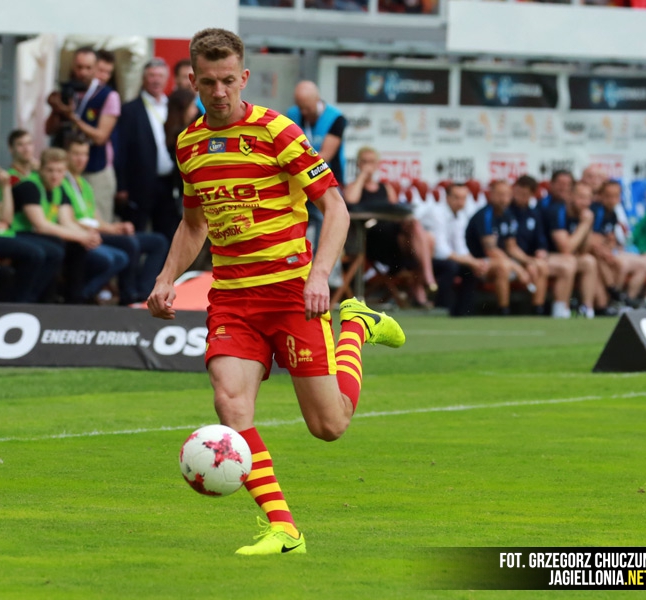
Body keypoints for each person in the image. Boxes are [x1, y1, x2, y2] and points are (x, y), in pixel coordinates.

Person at [148, 28, 405, 556]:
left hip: (291, 294)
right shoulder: (190, 144)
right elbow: (194, 224)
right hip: (233, 300)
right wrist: (165, 277)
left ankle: (356, 327)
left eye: (228, 80)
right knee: (230, 405)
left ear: (244, 77)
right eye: (208, 82)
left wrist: (320, 275)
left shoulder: (277, 131)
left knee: (329, 426)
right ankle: (284, 529)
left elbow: (335, 208)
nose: (219, 92)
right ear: (193, 80)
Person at [63, 137, 168, 304]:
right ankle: (128, 296)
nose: (81, 159)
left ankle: (145, 292)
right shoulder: (62, 183)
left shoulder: (85, 184)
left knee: (158, 241)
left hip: (97, 231)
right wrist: (111, 230)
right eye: (76, 154)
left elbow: (96, 219)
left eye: (85, 154)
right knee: (128, 244)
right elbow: (68, 220)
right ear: (66, 155)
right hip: (82, 234)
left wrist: (116, 227)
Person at [343, 146, 437, 306]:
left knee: (425, 236)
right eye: (364, 162)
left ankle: (424, 280)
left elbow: (396, 212)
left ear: (377, 164)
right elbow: (350, 201)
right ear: (358, 164)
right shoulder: (353, 187)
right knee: (425, 240)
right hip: (370, 239)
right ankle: (424, 281)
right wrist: (362, 176)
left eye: (371, 162)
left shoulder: (386, 188)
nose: (368, 166)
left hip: (393, 237)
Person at [11, 148, 101, 304]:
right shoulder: (30, 186)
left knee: (77, 247)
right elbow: (40, 225)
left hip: (38, 235)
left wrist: (87, 236)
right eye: (50, 170)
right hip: (18, 233)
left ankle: (73, 300)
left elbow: (66, 221)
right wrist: (81, 236)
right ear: (41, 170)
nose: (55, 175)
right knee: (55, 248)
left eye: (60, 171)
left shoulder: (59, 189)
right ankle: (34, 299)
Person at [46, 47, 121, 224]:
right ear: (73, 67)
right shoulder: (67, 91)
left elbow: (100, 137)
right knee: (64, 219)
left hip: (95, 170)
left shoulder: (108, 95)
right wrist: (56, 110)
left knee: (98, 221)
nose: (83, 73)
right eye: (79, 67)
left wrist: (72, 117)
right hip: (64, 170)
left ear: (96, 68)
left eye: (88, 68)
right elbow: (49, 130)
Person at [115, 57, 181, 241]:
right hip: (139, 183)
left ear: (167, 79)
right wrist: (122, 186)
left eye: (160, 76)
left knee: (168, 233)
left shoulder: (173, 107)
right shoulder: (130, 110)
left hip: (168, 183)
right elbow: (121, 150)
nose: (156, 80)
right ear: (144, 79)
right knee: (137, 232)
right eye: (151, 75)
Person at [286, 80, 347, 251]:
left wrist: (296, 163)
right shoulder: (292, 114)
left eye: (307, 108)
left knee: (326, 219)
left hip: (327, 179)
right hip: (299, 181)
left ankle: (325, 258)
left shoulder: (336, 119)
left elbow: (326, 155)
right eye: (300, 108)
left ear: (317, 100)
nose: (303, 112)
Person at [589, 180, 646, 308]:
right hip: (597, 254)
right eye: (608, 196)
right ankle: (614, 298)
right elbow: (593, 238)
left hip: (611, 251)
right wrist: (606, 246)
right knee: (621, 265)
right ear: (601, 196)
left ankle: (627, 302)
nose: (612, 200)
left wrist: (608, 245)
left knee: (642, 264)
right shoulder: (596, 211)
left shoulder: (613, 214)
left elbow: (610, 239)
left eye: (616, 196)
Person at [465, 180, 536, 315]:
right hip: (479, 262)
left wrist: (528, 261)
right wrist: (517, 268)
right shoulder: (485, 215)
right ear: (491, 195)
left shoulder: (508, 215)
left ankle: (537, 310)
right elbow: (490, 250)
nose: (504, 199)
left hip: (503, 260)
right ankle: (503, 310)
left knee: (536, 265)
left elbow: (511, 247)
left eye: (507, 195)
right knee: (503, 267)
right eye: (500, 195)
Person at [508, 175, 575, 318]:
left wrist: (541, 251)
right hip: (513, 259)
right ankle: (537, 309)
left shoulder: (534, 213)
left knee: (567, 265)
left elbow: (541, 240)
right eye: (518, 192)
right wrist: (528, 261)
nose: (520, 197)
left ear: (532, 195)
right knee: (540, 266)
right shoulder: (507, 212)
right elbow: (509, 247)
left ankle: (560, 310)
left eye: (525, 194)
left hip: (529, 258)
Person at [427, 182, 487, 316]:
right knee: (451, 267)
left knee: (469, 269)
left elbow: (461, 247)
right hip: (425, 260)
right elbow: (440, 250)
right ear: (447, 197)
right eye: (456, 197)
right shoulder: (436, 213)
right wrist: (472, 262)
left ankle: (464, 312)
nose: (460, 202)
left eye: (463, 198)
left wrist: (475, 263)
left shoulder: (460, 215)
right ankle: (442, 307)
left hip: (445, 259)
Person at [544, 181, 600, 317]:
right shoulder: (557, 211)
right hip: (542, 256)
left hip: (566, 258)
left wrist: (587, 226)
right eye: (581, 197)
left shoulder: (583, 215)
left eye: (588, 198)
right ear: (569, 196)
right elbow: (566, 249)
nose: (585, 202)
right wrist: (584, 225)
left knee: (589, 261)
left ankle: (587, 309)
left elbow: (584, 250)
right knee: (569, 262)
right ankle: (561, 310)